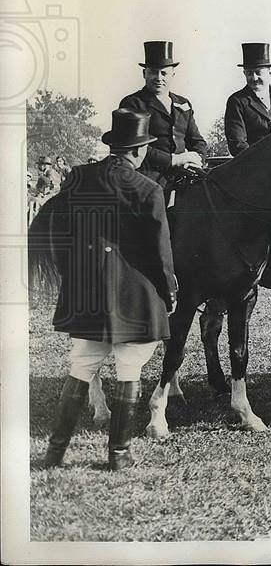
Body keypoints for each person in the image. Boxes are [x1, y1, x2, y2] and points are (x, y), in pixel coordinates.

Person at [33, 109, 176, 471]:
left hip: (89, 295)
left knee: (81, 367)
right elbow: (160, 254)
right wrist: (169, 290)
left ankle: (55, 452)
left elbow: (61, 231)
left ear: (115, 146)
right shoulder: (150, 190)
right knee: (130, 369)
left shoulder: (79, 178)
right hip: (134, 298)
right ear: (140, 150)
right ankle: (119, 454)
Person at [118, 41, 207, 199]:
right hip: (147, 177)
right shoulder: (133, 103)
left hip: (183, 177)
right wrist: (174, 160)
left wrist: (195, 160)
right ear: (144, 73)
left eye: (164, 73)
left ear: (173, 74)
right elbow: (133, 146)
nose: (158, 78)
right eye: (153, 72)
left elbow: (198, 141)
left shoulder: (183, 103)